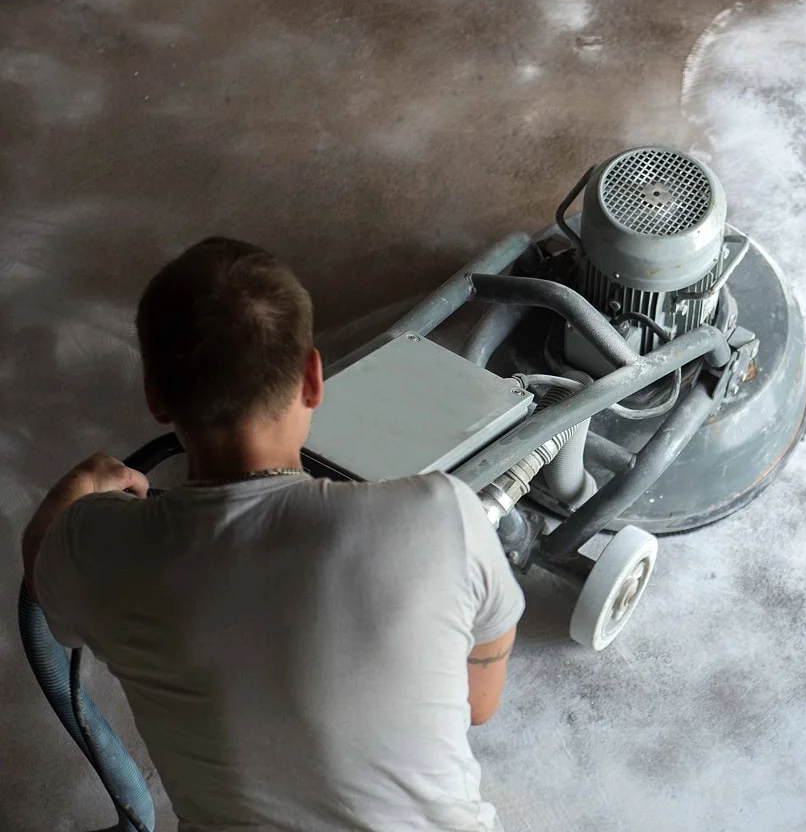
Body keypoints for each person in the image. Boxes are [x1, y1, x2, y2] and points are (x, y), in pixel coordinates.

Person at [20, 237, 524, 831]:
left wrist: (84, 481)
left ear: (156, 399)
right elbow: (479, 705)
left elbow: (41, 558)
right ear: (313, 379)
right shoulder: (444, 517)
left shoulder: (99, 550)